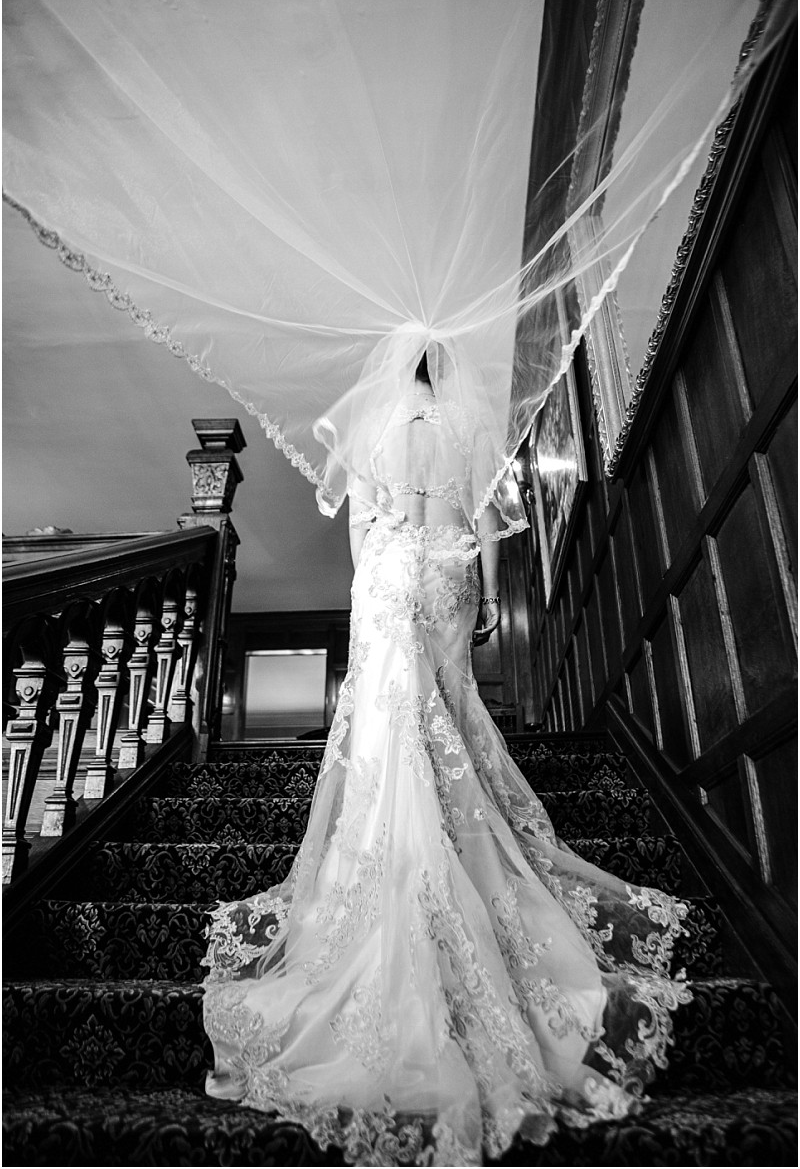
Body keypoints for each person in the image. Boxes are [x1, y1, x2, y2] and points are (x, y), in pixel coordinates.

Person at [202, 347, 692, 1167]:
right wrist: (489, 593)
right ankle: (465, 855)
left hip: (394, 571)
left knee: (392, 728)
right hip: (453, 568)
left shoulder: (372, 422)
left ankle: (398, 865)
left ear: (395, 366)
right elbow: (488, 511)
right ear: (443, 365)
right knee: (453, 717)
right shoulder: (470, 423)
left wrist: (377, 584)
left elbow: (364, 525)